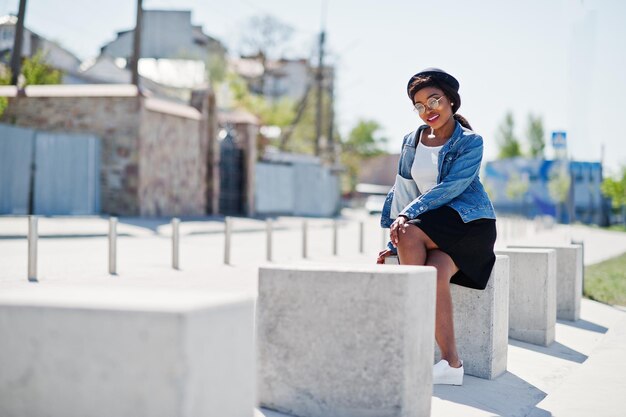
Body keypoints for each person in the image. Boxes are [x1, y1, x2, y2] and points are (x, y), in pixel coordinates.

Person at [376, 68, 497, 386]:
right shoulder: (411, 141)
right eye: (419, 105)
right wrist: (392, 242)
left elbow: (452, 188)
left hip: (469, 224)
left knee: (410, 231)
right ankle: (451, 364)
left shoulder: (470, 142)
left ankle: (411, 345)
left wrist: (407, 219)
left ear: (451, 101)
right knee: (434, 273)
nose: (427, 110)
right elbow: (403, 188)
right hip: (432, 228)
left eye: (434, 100)